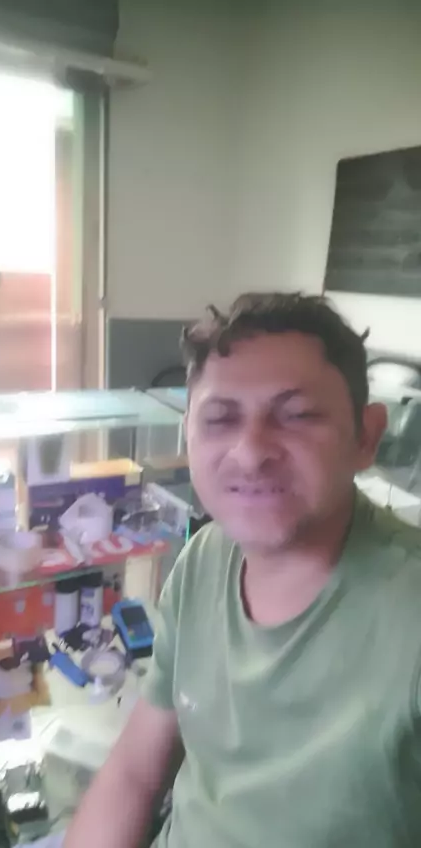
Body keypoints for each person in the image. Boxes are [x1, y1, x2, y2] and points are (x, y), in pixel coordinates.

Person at [66, 292, 421, 848]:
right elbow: (134, 773)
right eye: (220, 419)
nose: (251, 452)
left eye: (298, 415)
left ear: (366, 436)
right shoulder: (203, 559)